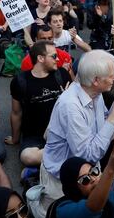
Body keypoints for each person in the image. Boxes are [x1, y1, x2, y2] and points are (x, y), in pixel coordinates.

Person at [40, 51, 114, 209]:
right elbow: (88, 155)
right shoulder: (70, 106)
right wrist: (113, 117)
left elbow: (101, 127)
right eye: (111, 75)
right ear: (96, 80)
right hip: (63, 182)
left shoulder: (94, 93)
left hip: (87, 175)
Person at [7, 40, 70, 169]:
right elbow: (16, 112)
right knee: (27, 157)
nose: (57, 59)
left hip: (61, 132)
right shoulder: (20, 81)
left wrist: (67, 97)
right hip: (34, 136)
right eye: (53, 56)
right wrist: (15, 139)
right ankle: (63, 158)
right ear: (40, 58)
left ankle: (47, 164)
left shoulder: (62, 75)